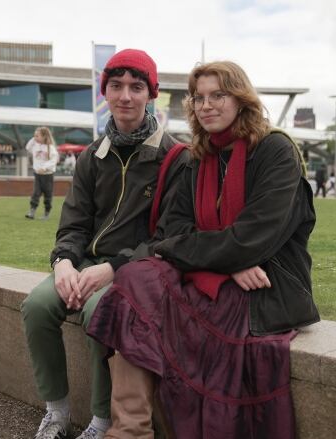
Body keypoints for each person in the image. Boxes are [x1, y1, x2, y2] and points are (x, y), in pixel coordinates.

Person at [86, 61, 320, 438]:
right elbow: (169, 233)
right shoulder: (199, 156)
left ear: (241, 100)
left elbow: (251, 240)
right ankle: (130, 431)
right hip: (219, 275)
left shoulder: (275, 150)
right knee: (133, 280)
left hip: (266, 286)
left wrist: (229, 256)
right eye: (198, 98)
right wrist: (225, 265)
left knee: (151, 304)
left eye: (218, 96)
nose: (206, 105)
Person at [20, 48, 187, 439]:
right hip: (85, 264)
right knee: (38, 306)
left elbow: (168, 238)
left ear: (152, 94)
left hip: (135, 271)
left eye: (136, 86)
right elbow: (73, 223)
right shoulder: (93, 156)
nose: (125, 96)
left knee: (100, 311)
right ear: (105, 93)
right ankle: (57, 413)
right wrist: (63, 262)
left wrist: (111, 268)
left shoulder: (175, 157)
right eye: (115, 86)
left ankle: (100, 421)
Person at [25, 127, 59, 220]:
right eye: (34, 136)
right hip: (37, 175)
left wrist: (44, 168)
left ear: (44, 136)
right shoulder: (35, 145)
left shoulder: (50, 148)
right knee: (35, 193)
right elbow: (27, 147)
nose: (35, 137)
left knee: (48, 195)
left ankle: (46, 213)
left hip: (48, 176)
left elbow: (54, 160)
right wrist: (34, 138)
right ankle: (32, 211)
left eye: (37, 136)